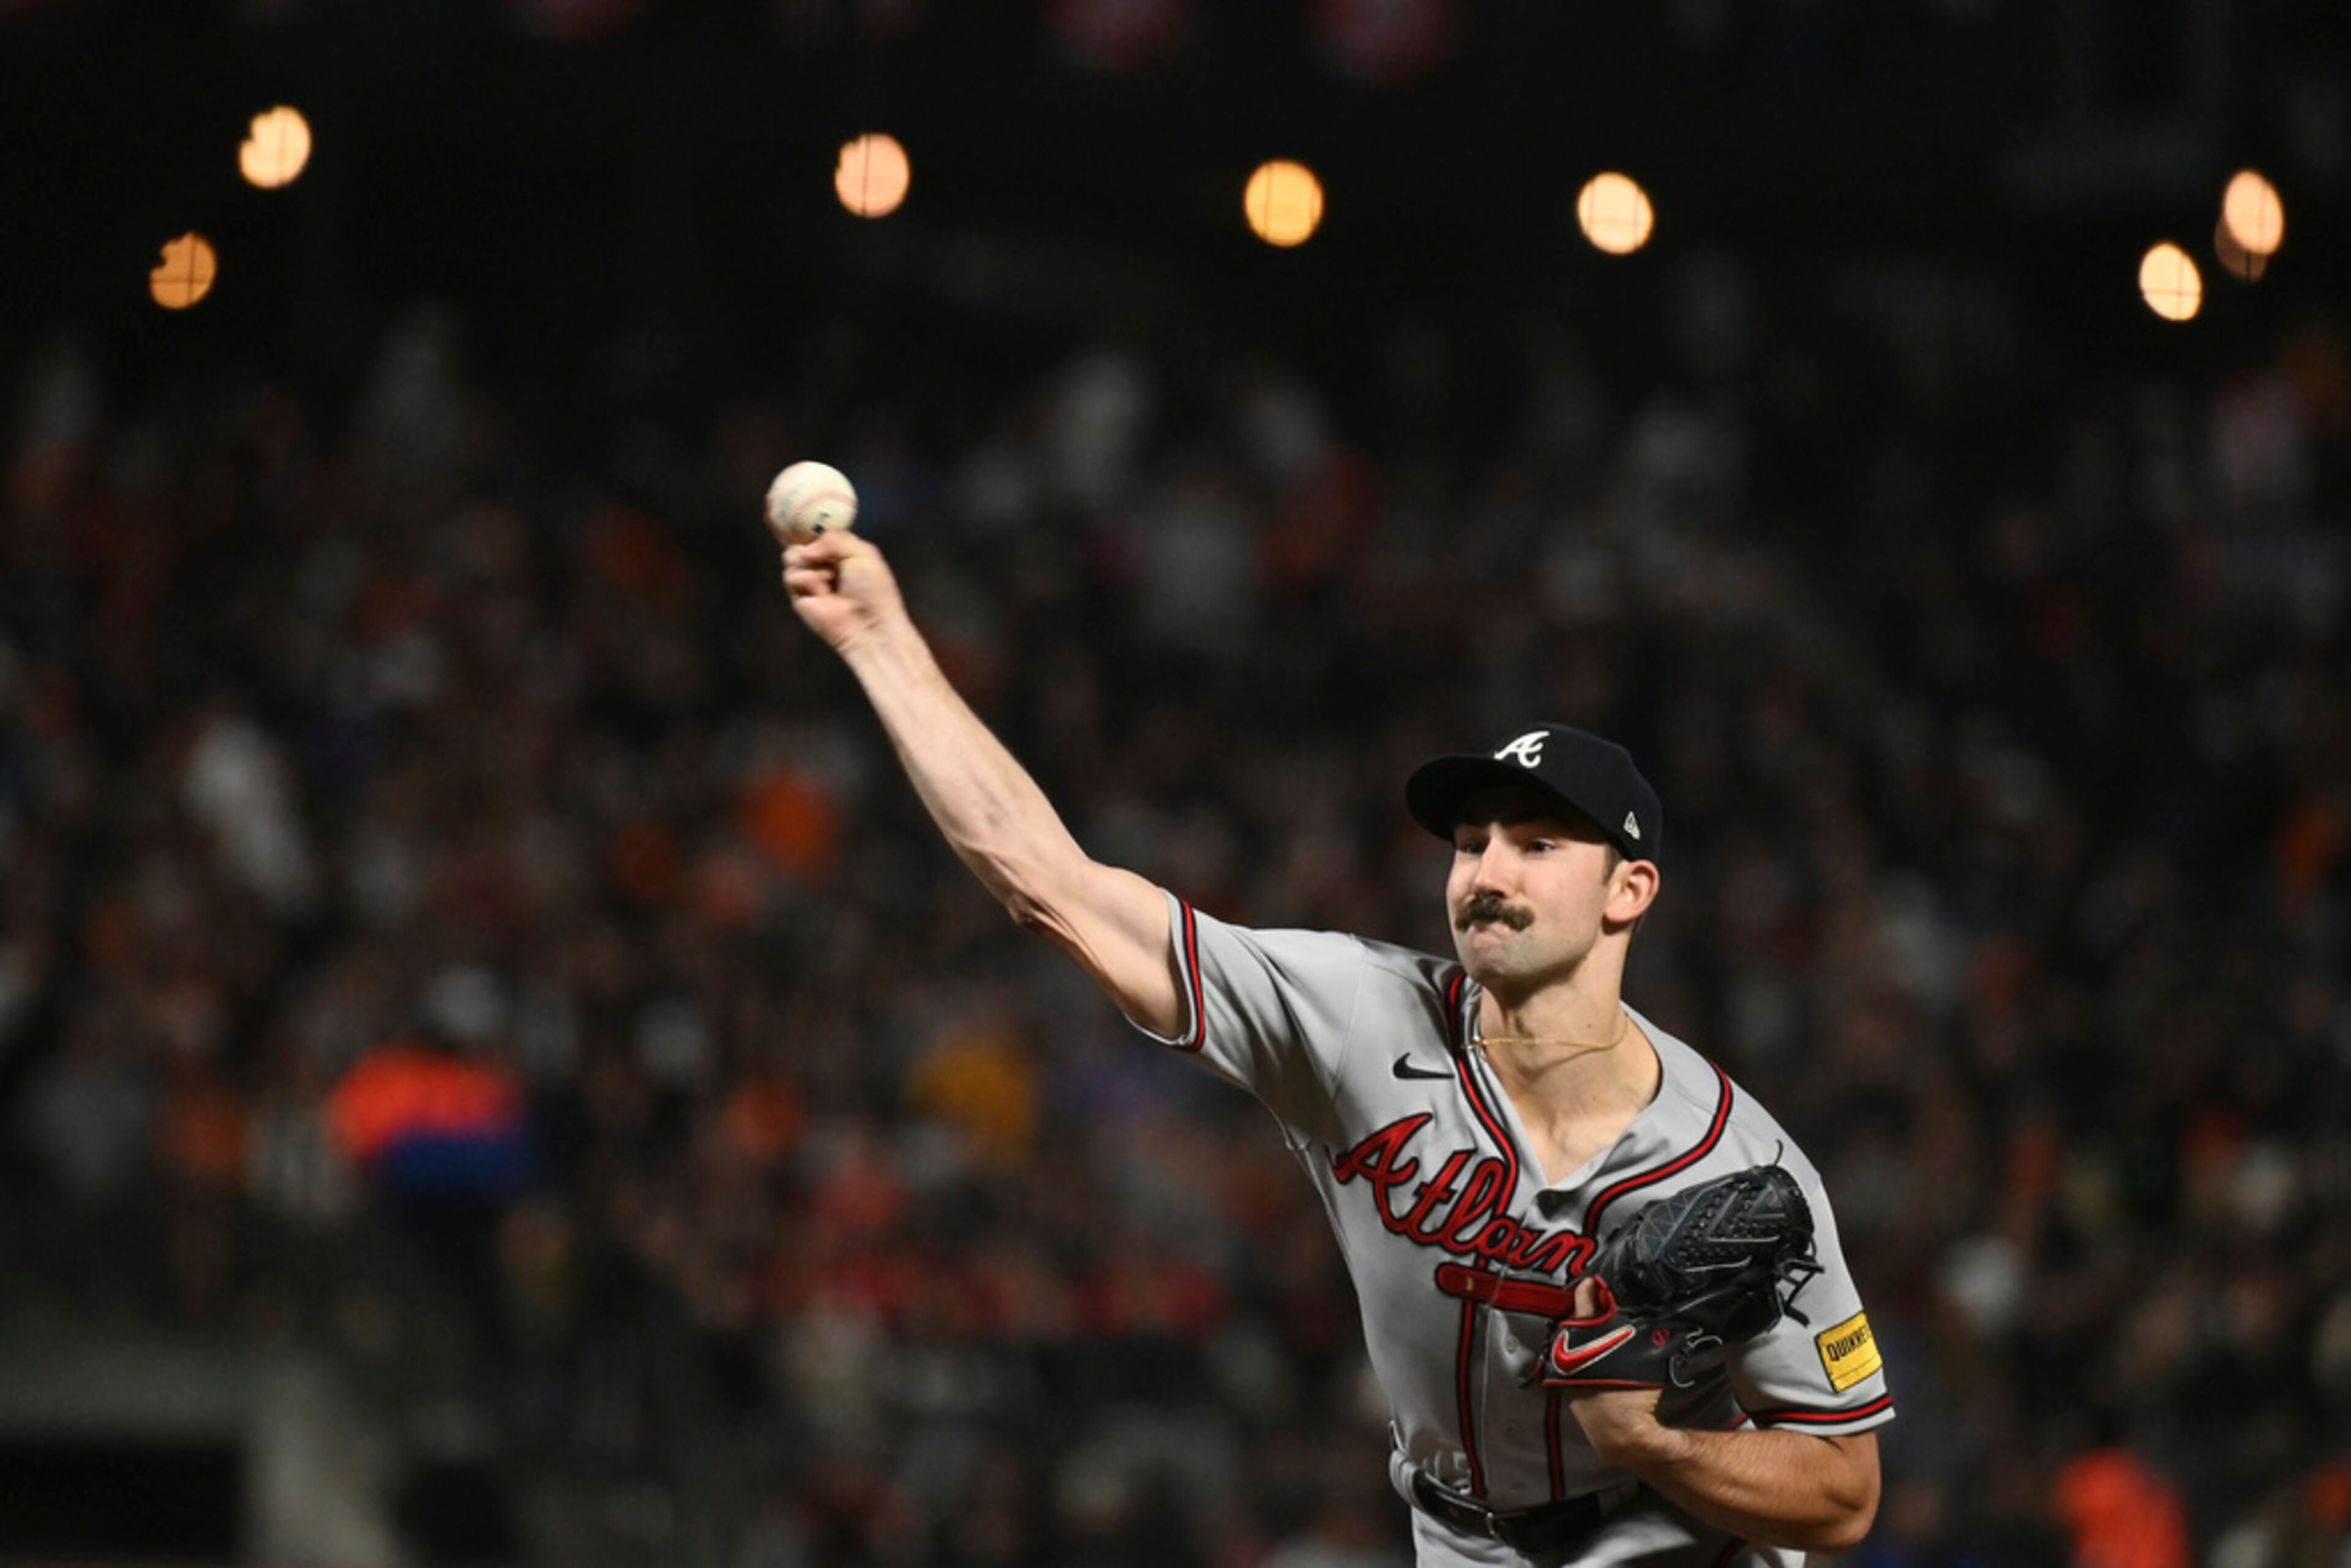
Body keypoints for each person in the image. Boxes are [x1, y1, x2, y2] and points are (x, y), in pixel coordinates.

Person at [779, 528, 1893, 1566]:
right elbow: (1054, 886)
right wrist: (881, 642)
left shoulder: (1737, 1157)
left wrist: (1662, 1446)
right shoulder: (1355, 1016)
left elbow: (1846, 1491)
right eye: (1470, 843)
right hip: (1453, 1540)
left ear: (1629, 889)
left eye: (1538, 843)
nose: (1486, 874)